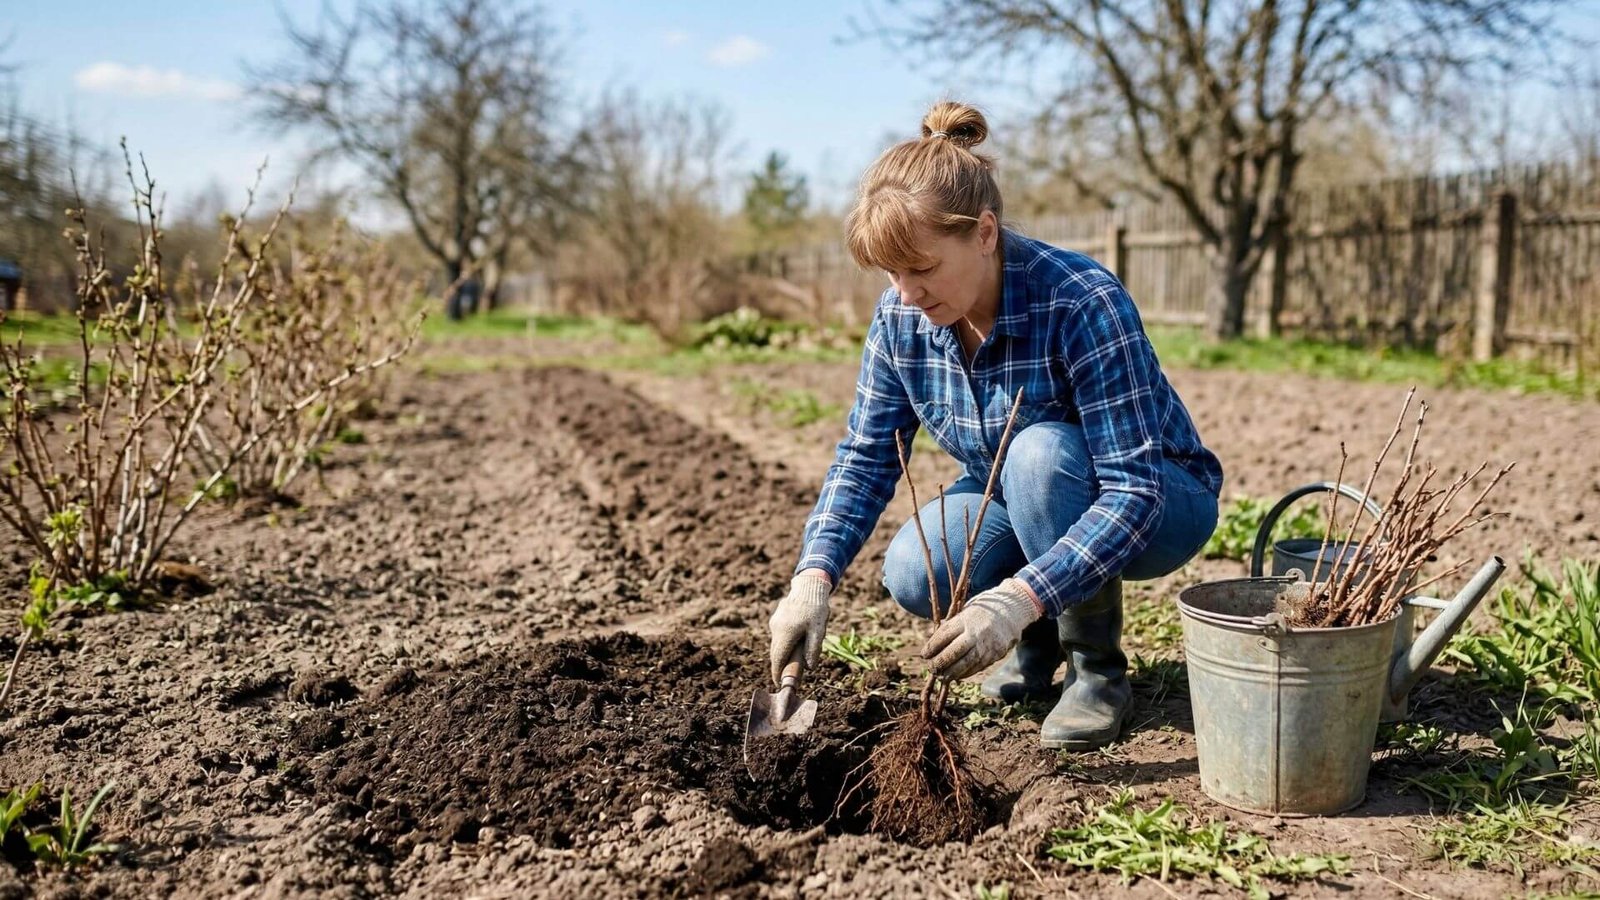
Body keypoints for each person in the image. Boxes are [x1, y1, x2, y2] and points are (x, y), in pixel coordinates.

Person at [766, 101, 1224, 749]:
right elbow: (867, 456)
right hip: (1017, 493)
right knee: (916, 571)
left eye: (923, 268)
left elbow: (1135, 491)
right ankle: (1039, 647)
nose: (906, 293)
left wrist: (1017, 599)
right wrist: (812, 578)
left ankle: (1096, 671)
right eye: (892, 272)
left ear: (984, 233)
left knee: (1039, 455)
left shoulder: (1079, 300)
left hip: (1161, 501)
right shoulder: (901, 320)